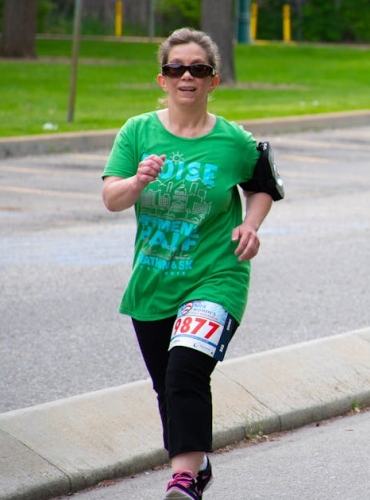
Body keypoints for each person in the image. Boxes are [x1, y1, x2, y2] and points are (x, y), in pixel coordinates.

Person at [102, 27, 284, 500]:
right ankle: (197, 463)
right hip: (153, 279)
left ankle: (182, 480)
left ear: (212, 81)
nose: (187, 76)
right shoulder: (137, 131)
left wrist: (251, 225)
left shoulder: (234, 141)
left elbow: (262, 186)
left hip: (216, 275)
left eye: (198, 69)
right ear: (162, 79)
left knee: (186, 370)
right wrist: (137, 181)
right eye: (176, 68)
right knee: (168, 387)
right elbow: (110, 197)